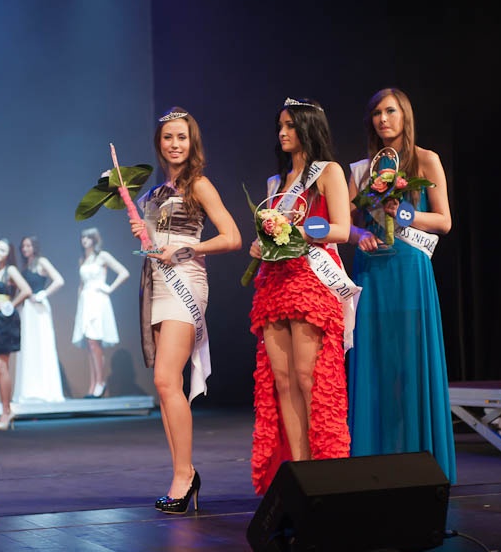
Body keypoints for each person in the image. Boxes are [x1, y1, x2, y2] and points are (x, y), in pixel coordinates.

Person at [128, 106, 242, 513]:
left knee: (164, 377)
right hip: (157, 284)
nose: (174, 144)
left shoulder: (200, 186)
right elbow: (154, 246)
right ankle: (183, 471)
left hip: (185, 284)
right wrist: (145, 235)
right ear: (158, 144)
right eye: (167, 138)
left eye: (181, 137)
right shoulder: (153, 195)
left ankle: (184, 476)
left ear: (192, 142)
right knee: (165, 386)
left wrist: (190, 247)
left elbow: (232, 237)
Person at [346, 88, 456, 484]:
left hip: (410, 271)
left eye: (390, 111)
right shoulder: (360, 169)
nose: (383, 119)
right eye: (376, 113)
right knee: (374, 364)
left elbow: (443, 222)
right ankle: (373, 465)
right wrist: (360, 234)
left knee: (409, 365)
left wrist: (403, 212)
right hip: (372, 272)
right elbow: (348, 223)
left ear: (405, 115)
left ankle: (419, 463)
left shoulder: (426, 160)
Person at [248, 97, 355, 495]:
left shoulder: (328, 172)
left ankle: (323, 473)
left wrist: (297, 233)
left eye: (290, 125)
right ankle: (299, 472)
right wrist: (261, 245)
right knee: (283, 380)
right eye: (280, 125)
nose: (283, 132)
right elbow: (268, 233)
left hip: (312, 279)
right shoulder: (275, 184)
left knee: (310, 377)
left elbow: (342, 229)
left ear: (308, 127)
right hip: (275, 282)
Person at [71, 227, 129, 398]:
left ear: (95, 239)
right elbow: (80, 284)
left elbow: (124, 272)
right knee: (89, 343)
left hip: (98, 299)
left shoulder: (102, 256)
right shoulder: (83, 259)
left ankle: (100, 382)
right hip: (85, 300)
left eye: (88, 238)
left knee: (94, 342)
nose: (84, 240)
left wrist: (109, 289)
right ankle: (93, 384)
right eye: (83, 237)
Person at [0, 238, 32, 431]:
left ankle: (6, 411)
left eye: (1, 249)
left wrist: (11, 304)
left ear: (8, 253)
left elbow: (26, 290)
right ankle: (5, 410)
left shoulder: (10, 271)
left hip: (5, 321)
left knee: (1, 365)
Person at [13, 235, 66, 403]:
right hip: (27, 310)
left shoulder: (41, 261)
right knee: (28, 347)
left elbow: (59, 280)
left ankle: (45, 390)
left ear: (34, 247)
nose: (25, 249)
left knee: (42, 345)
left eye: (28, 246)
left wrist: (43, 294)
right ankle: (30, 389)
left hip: (39, 309)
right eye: (23, 246)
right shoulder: (25, 266)